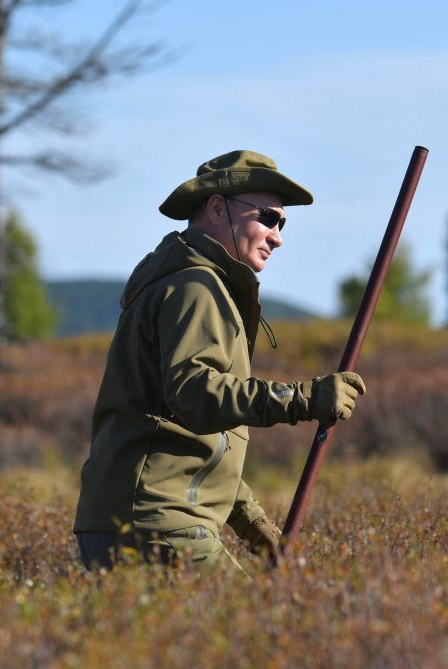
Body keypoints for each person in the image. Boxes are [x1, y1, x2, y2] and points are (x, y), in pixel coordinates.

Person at [73, 150, 366, 572]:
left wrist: (250, 522)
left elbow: (192, 440)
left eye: (283, 223)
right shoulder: (197, 287)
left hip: (132, 519)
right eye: (267, 217)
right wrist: (307, 398)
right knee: (253, 634)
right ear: (216, 208)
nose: (278, 236)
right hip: (160, 523)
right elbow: (194, 393)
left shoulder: (186, 283)